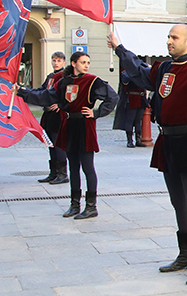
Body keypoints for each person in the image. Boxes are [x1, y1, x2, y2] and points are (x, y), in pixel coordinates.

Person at [109, 24, 187, 285]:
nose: (169, 41)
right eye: (168, 37)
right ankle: (186, 255)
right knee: (178, 202)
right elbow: (140, 72)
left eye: (174, 37)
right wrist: (120, 49)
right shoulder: (165, 68)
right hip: (167, 140)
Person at [19, 51, 116, 220]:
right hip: (69, 124)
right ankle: (74, 204)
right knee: (73, 167)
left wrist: (97, 112)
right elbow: (44, 96)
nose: (86, 65)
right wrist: (21, 92)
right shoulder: (63, 82)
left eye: (88, 62)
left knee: (88, 167)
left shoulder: (93, 81)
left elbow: (112, 97)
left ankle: (91, 206)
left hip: (85, 125)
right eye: (83, 62)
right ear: (73, 63)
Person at [37, 51, 69, 185]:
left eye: (58, 61)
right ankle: (54, 173)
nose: (56, 63)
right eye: (54, 60)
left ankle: (62, 174)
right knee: (50, 144)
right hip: (49, 115)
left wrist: (61, 105)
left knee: (58, 144)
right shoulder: (51, 76)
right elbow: (43, 91)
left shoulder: (65, 77)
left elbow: (69, 94)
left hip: (58, 116)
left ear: (64, 62)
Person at [113, 68, 147, 148]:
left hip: (141, 98)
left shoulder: (142, 72)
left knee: (138, 121)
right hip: (131, 99)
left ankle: (138, 140)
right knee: (130, 120)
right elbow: (125, 80)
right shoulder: (126, 73)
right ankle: (130, 140)